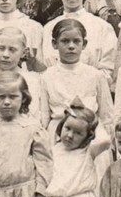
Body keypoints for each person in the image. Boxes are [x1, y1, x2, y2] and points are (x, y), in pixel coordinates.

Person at [35, 19, 114, 182]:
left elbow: (107, 114)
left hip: (91, 135)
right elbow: (43, 117)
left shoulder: (96, 75)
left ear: (84, 44)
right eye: (65, 41)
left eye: (76, 41)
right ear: (54, 44)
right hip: (59, 135)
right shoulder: (46, 77)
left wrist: (109, 142)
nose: (71, 46)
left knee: (94, 178)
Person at [40, 0, 117, 81]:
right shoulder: (48, 29)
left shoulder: (102, 27)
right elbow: (44, 70)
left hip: (90, 95)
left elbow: (108, 72)